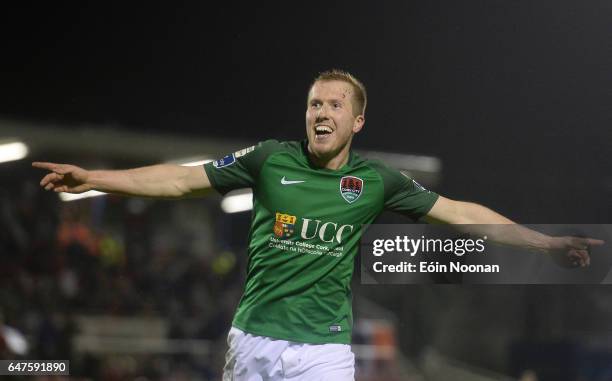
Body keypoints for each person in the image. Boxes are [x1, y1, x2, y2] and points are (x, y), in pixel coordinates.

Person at [33, 69, 603, 380]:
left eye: (333, 105)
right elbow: (181, 179)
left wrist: (545, 242)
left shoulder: (377, 181)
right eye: (313, 104)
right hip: (252, 340)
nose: (321, 113)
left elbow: (461, 214)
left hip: (323, 352)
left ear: (356, 120)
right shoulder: (270, 159)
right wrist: (96, 178)